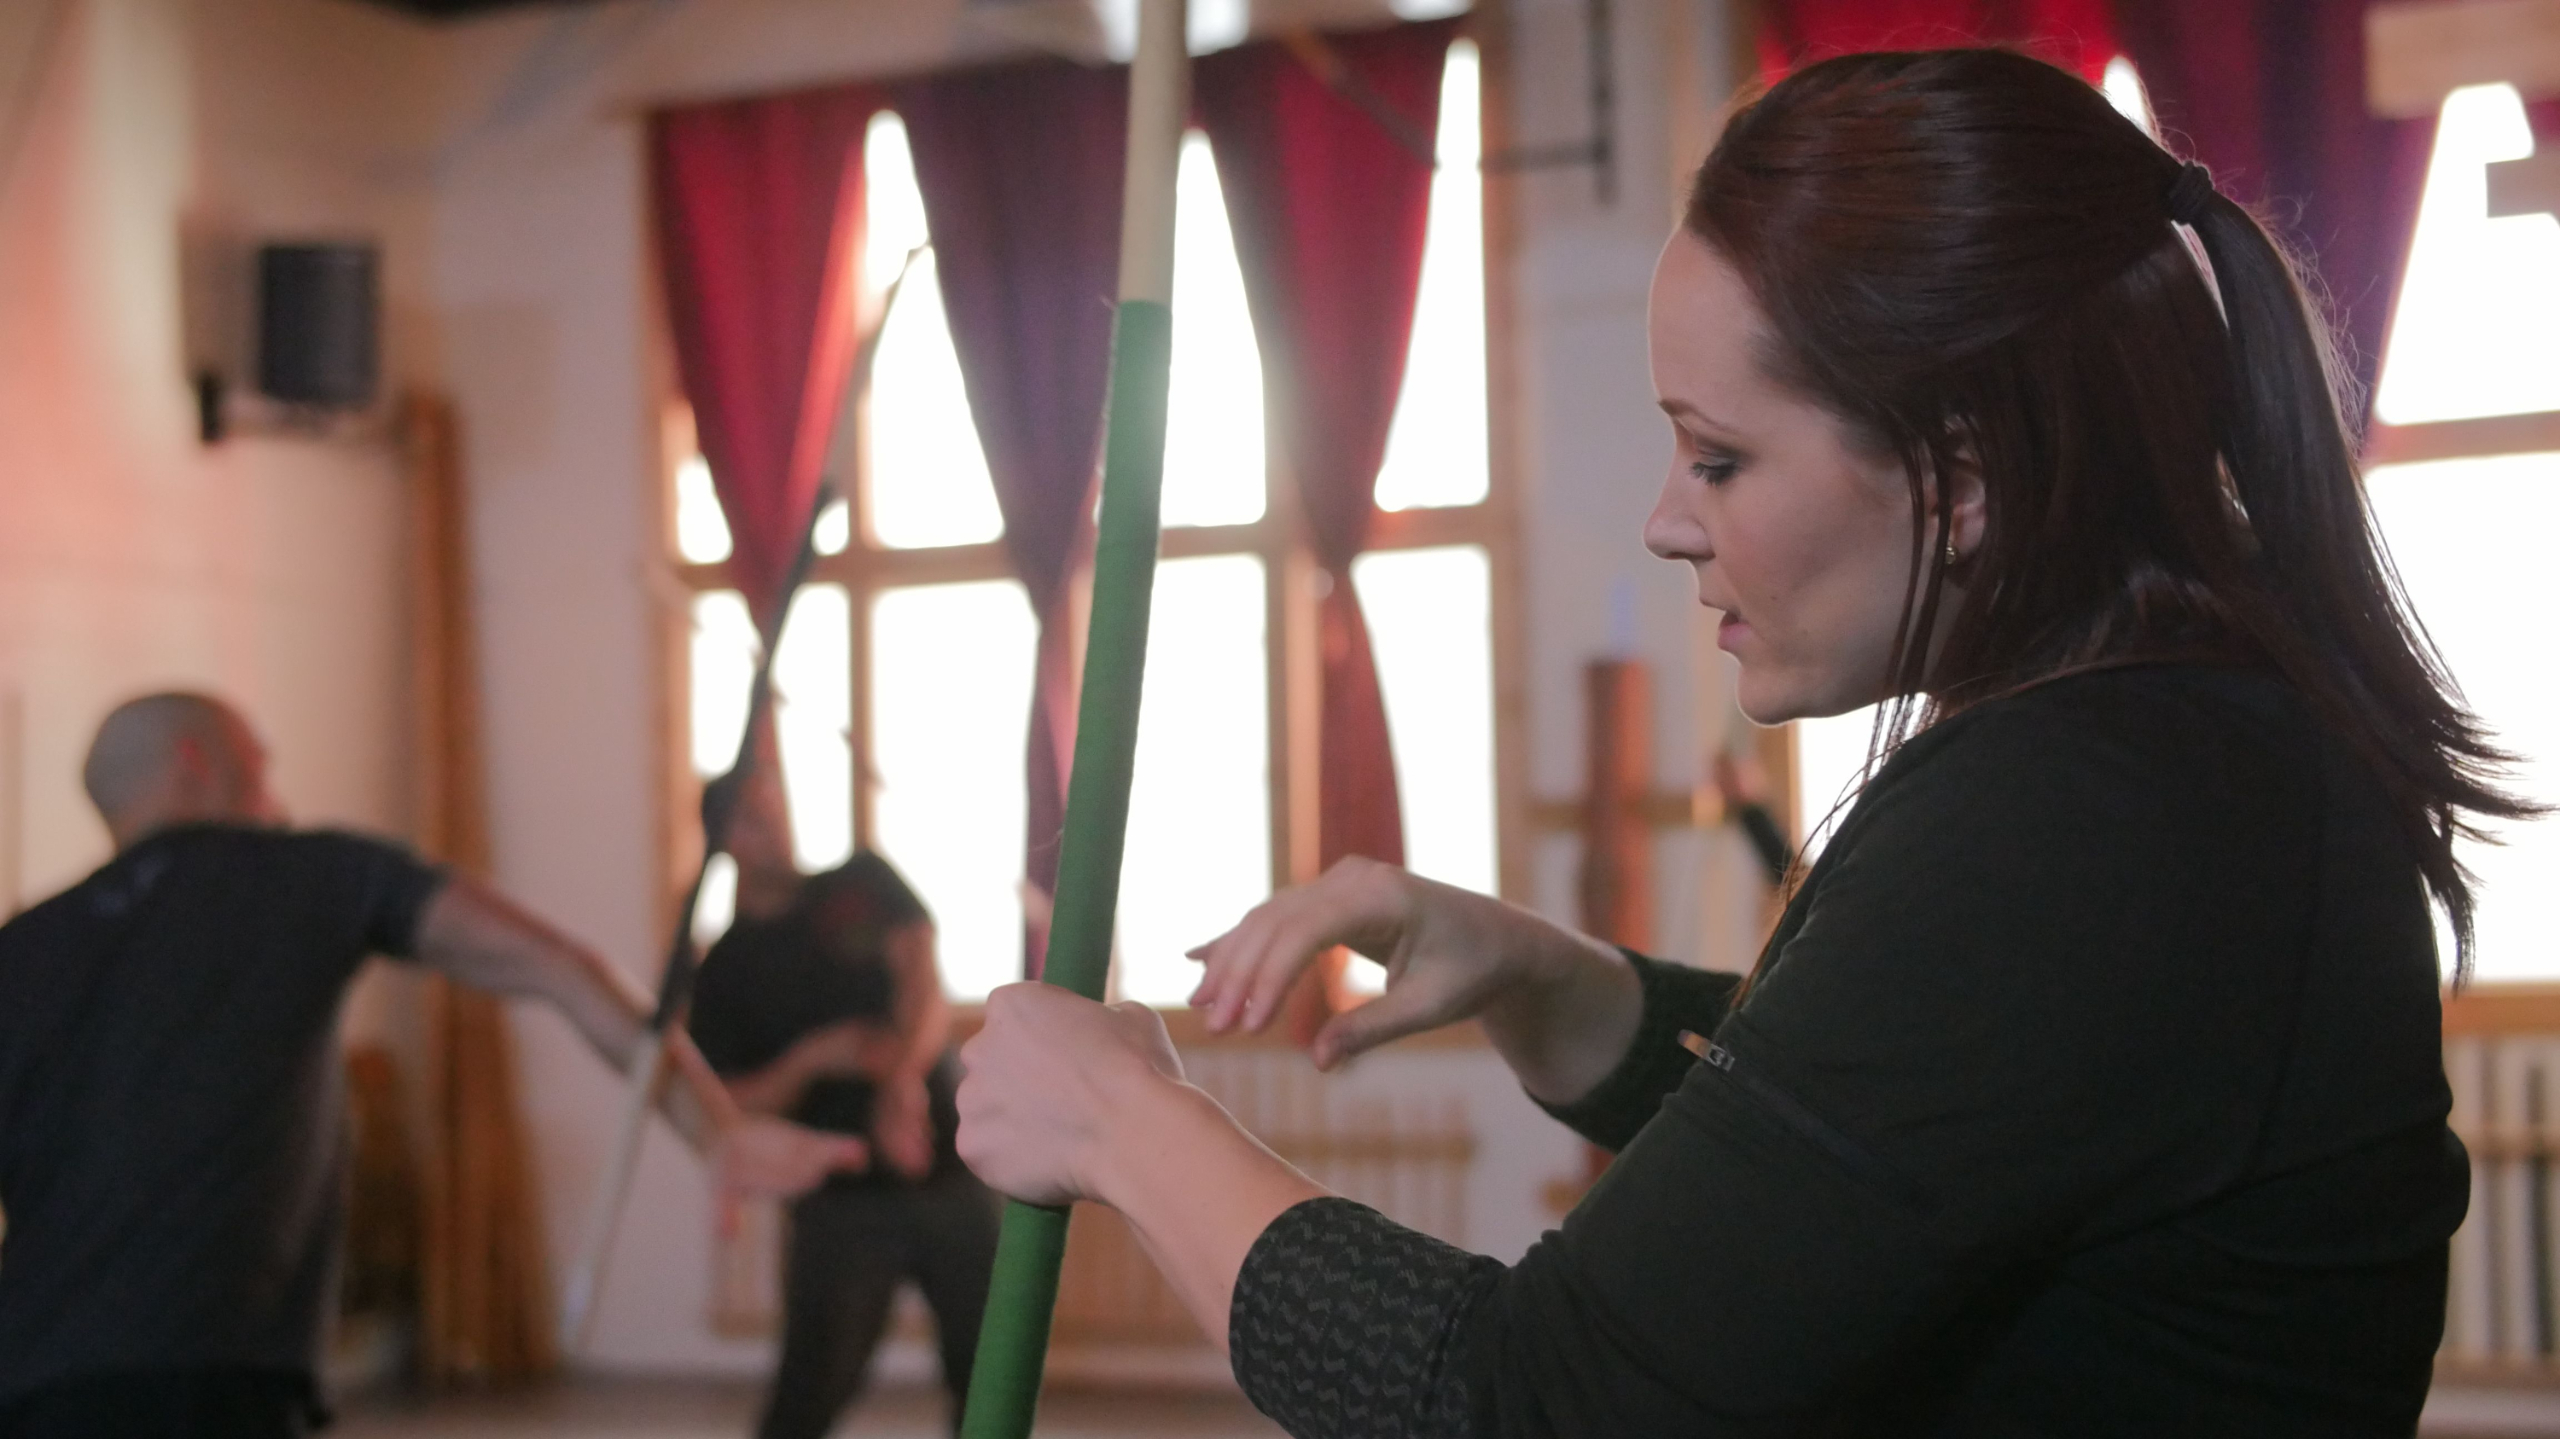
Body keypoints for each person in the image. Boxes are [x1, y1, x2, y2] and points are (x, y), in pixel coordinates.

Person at [951, 48, 2535, 1437]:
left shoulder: (2093, 810)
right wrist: (1547, 977)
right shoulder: (2183, 744)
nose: (1666, 520)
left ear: (1962, 476)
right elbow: (1861, 1151)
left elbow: (1535, 1403)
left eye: (1718, 458)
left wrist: (1124, 1122)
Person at [0, 693, 868, 1439]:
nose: (277, 799)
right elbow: (559, 965)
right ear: (197, 761)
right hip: (204, 1383)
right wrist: (714, 1130)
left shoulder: (25, 946)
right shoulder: (307, 870)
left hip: (28, 1377)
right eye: (260, 768)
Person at [685, 766, 996, 1439]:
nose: (773, 825)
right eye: (751, 816)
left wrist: (900, 1078)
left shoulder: (861, 883)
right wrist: (809, 1061)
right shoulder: (725, 969)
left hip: (946, 1168)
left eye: (775, 805)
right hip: (839, 1197)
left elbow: (924, 980)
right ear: (721, 839)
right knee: (811, 1389)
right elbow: (721, 1098)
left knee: (990, 1377)